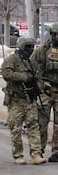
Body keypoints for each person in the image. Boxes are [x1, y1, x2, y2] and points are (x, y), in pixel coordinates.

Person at [2, 37, 46, 165]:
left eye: (31, 47)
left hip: (30, 99)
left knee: (34, 126)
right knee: (16, 128)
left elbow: (39, 77)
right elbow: (6, 74)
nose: (30, 50)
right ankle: (18, 155)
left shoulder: (32, 62)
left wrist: (38, 86)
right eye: (27, 47)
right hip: (16, 99)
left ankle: (36, 154)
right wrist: (24, 77)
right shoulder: (12, 60)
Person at [31, 22, 58, 161]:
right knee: (41, 122)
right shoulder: (42, 51)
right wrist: (40, 85)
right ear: (52, 35)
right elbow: (32, 69)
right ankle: (38, 150)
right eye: (56, 35)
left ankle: (56, 151)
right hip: (45, 92)